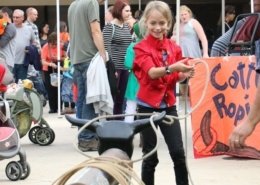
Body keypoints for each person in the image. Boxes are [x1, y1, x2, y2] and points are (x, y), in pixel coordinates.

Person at [133, 1, 195, 185]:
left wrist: (185, 73)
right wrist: (173, 68)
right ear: (146, 23)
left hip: (168, 107)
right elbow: (152, 73)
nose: (158, 27)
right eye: (153, 23)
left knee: (178, 154)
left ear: (168, 23)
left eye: (162, 23)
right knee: (150, 156)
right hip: (146, 107)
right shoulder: (140, 48)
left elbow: (175, 77)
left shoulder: (174, 48)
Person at [68, 0, 107, 151]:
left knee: (82, 100)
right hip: (90, 58)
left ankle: (83, 136)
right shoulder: (91, 3)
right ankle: (87, 138)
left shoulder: (73, 4)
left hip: (77, 58)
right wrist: (103, 55)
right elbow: (96, 31)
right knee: (90, 100)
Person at [103, 0, 132, 116]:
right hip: (114, 68)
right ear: (119, 11)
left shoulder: (126, 26)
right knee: (113, 96)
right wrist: (112, 68)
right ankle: (112, 121)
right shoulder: (109, 27)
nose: (130, 13)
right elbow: (106, 48)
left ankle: (118, 120)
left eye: (130, 11)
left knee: (121, 97)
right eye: (127, 11)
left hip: (125, 67)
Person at [41, 32, 65, 113]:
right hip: (48, 68)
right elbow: (43, 61)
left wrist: (58, 58)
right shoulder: (45, 47)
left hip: (58, 66)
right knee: (50, 88)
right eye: (51, 44)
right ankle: (52, 107)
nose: (53, 46)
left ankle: (59, 107)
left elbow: (65, 57)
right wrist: (50, 63)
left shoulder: (61, 46)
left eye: (54, 44)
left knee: (59, 88)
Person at [12, 9, 36, 83]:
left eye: (17, 17)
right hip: (10, 63)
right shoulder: (8, 28)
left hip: (23, 63)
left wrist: (30, 49)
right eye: (13, 17)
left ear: (23, 18)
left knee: (21, 86)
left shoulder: (29, 29)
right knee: (9, 87)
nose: (15, 19)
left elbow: (34, 43)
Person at [0, 7, 16, 73]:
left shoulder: (11, 27)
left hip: (6, 63)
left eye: (0, 16)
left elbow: (2, 43)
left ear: (6, 14)